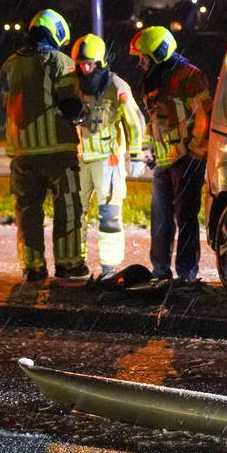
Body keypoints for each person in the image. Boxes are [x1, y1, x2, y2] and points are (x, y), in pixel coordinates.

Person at [0, 9, 84, 282]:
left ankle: (33, 266)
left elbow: (6, 102)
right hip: (57, 149)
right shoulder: (61, 60)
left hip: (22, 150)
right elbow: (70, 103)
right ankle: (69, 264)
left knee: (28, 211)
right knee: (67, 207)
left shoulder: (10, 63)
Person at [129, 26, 212, 285]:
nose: (141, 62)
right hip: (163, 159)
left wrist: (196, 151)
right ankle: (160, 272)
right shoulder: (155, 78)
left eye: (143, 57)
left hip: (186, 160)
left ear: (158, 53)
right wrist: (147, 147)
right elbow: (153, 118)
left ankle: (187, 275)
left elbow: (203, 116)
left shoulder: (190, 76)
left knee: (186, 217)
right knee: (161, 218)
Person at [70, 33, 145, 279]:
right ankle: (75, 264)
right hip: (81, 159)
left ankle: (109, 269)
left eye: (89, 63)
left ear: (100, 61)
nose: (85, 68)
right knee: (75, 214)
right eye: (81, 63)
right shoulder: (74, 84)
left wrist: (135, 154)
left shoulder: (116, 86)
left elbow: (134, 121)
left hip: (108, 161)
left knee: (109, 216)